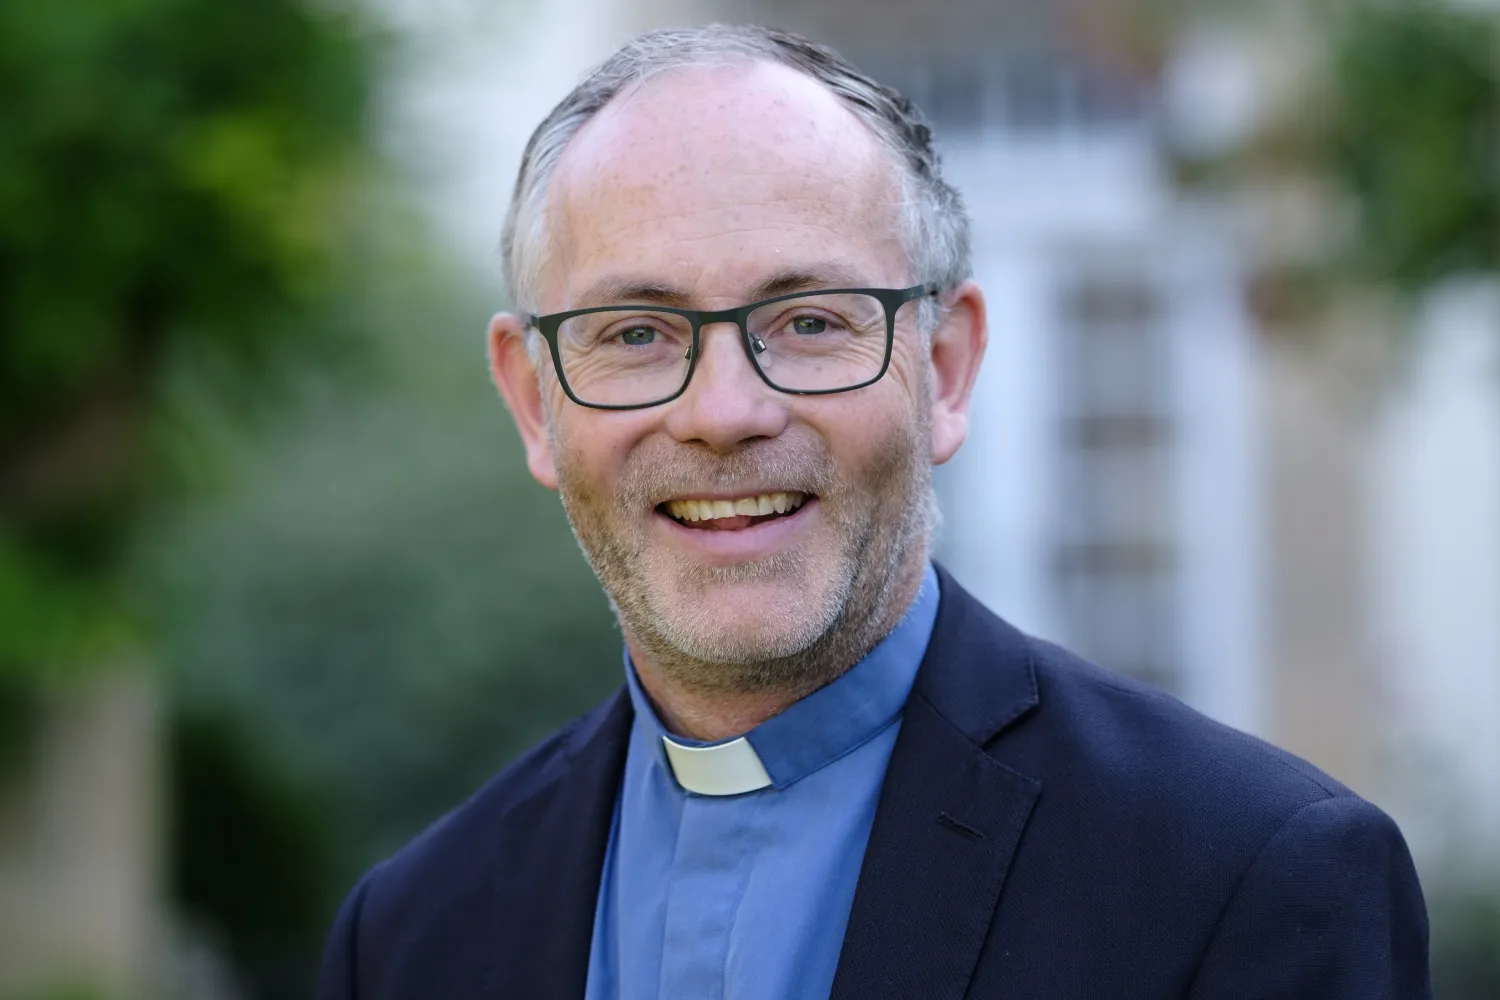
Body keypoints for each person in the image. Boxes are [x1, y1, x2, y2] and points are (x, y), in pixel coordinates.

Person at [316, 24, 1431, 1000]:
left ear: (943, 369)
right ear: (531, 400)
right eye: (636, 334)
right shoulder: (413, 936)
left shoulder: (1249, 880)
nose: (723, 414)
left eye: (808, 320)